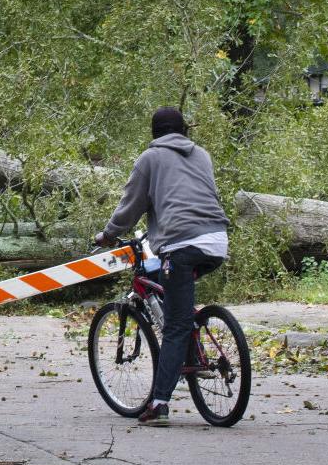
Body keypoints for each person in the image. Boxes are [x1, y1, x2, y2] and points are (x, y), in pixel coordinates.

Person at [93, 106, 229, 426]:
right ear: (184, 130)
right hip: (217, 241)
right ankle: (192, 349)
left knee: (175, 326)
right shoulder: (203, 155)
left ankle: (159, 403)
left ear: (155, 133)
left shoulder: (149, 159)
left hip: (181, 244)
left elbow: (130, 207)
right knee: (175, 296)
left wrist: (108, 235)